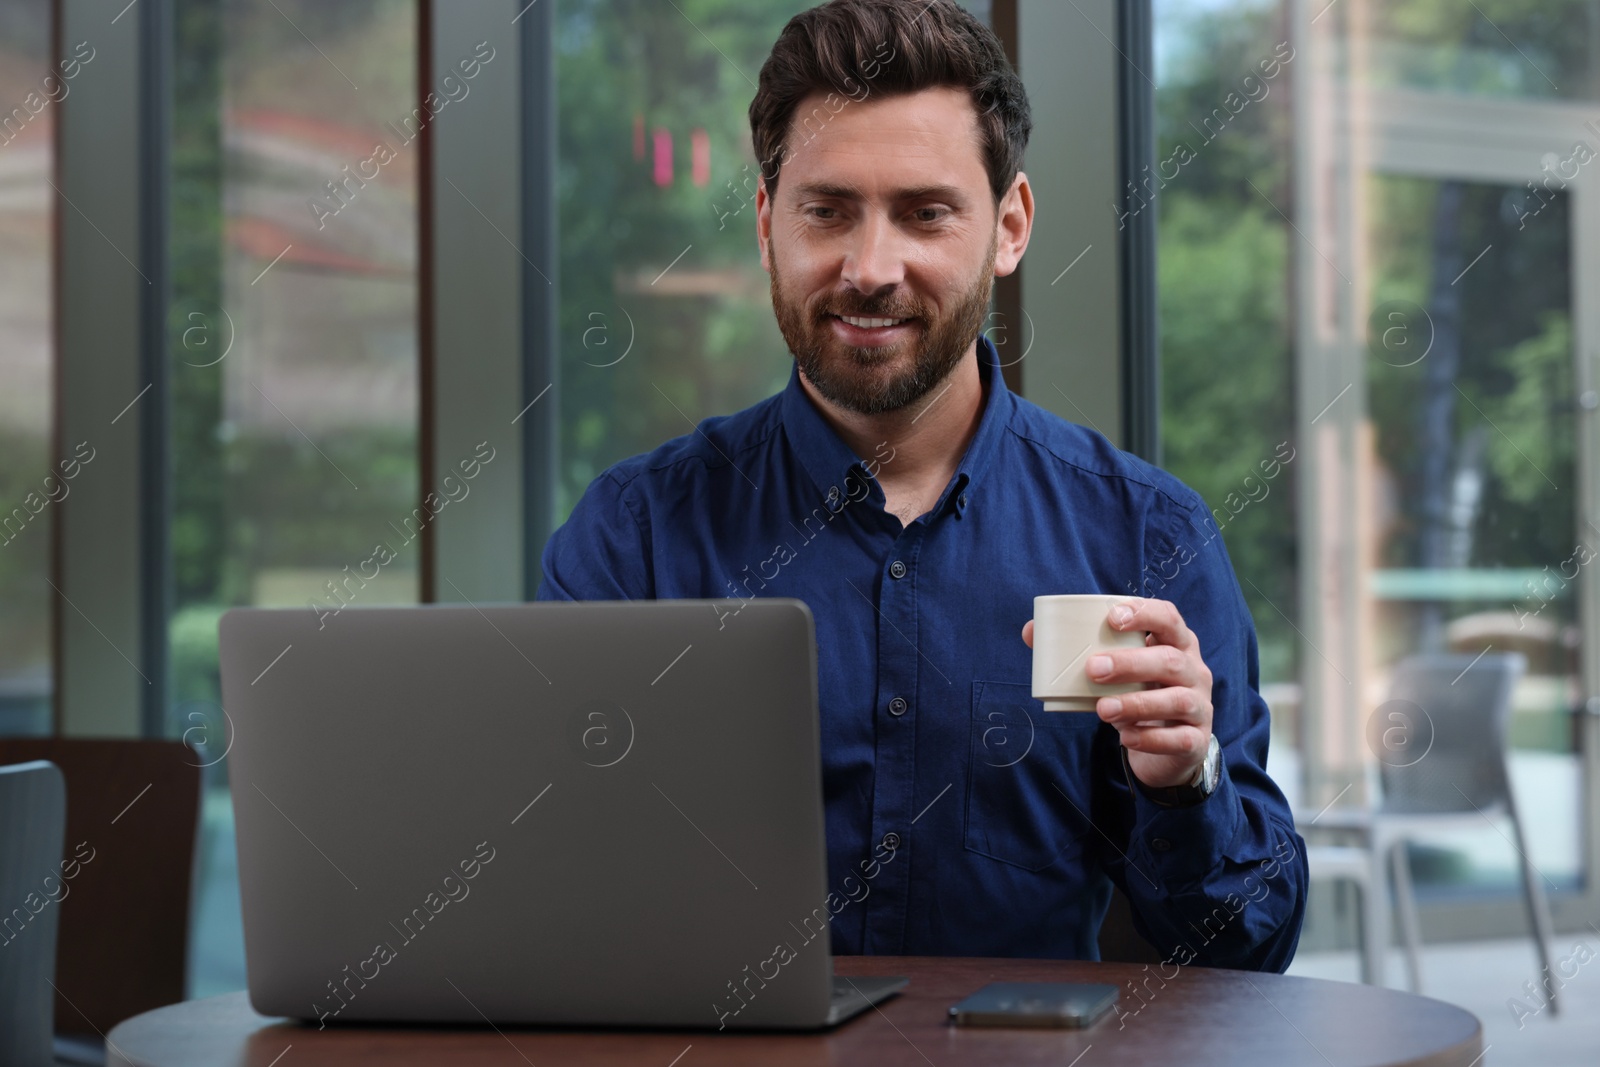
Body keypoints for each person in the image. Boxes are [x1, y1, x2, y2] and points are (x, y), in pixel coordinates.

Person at [537, 0, 1305, 971]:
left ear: (1010, 226)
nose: (870, 268)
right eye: (827, 211)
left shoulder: (1148, 535)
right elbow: (554, 899)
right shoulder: (634, 537)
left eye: (924, 212)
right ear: (768, 224)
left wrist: (1184, 785)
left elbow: (1250, 944)